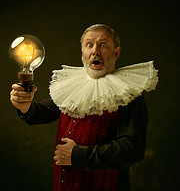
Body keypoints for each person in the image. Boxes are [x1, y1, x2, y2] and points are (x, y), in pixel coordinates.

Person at [10, 24, 158, 191]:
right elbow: (41, 113)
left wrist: (77, 155)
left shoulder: (129, 93)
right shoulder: (73, 86)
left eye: (103, 45)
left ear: (116, 53)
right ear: (83, 53)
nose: (95, 51)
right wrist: (25, 106)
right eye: (89, 45)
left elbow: (132, 149)